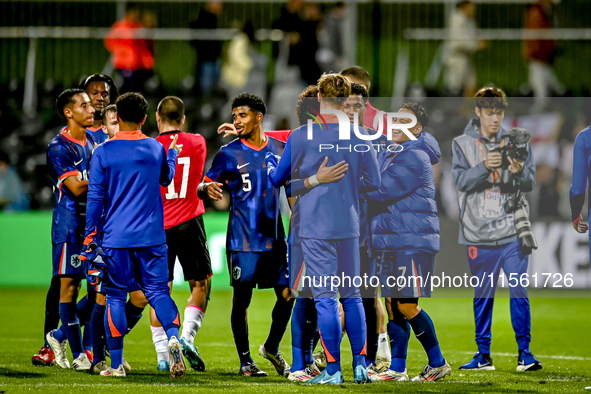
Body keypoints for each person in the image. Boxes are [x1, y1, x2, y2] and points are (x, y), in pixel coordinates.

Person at [266, 74, 381, 384]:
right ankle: (360, 366)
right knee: (353, 297)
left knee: (326, 299)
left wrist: (313, 181)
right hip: (349, 225)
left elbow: (278, 180)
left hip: (315, 227)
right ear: (345, 102)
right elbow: (376, 183)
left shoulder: (301, 136)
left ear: (319, 98)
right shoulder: (360, 135)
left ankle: (332, 370)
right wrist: (347, 187)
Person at [82, 92, 184, 378]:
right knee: (158, 292)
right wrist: (173, 154)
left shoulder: (103, 151)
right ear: (144, 118)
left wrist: (91, 235)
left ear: (118, 117)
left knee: (115, 297)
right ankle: (173, 335)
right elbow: (166, 179)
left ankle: (115, 366)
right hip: (152, 236)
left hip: (116, 238)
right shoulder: (155, 148)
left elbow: (95, 197)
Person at [199, 93, 293, 377]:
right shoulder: (228, 153)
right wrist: (206, 189)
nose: (236, 121)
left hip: (275, 237)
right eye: (234, 116)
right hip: (243, 240)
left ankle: (272, 347)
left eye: (242, 115)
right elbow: (205, 182)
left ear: (258, 117)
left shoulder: (279, 148)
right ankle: (245, 362)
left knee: (289, 295)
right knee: (242, 300)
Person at [452, 86, 541, 372]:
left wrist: (519, 172)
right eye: (490, 112)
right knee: (482, 295)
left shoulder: (517, 140)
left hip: (512, 231)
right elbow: (460, 182)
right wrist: (482, 167)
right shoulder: (462, 143)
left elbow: (530, 182)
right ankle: (483, 355)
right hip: (478, 232)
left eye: (499, 112)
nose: (495, 118)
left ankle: (525, 353)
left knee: (518, 289)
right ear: (478, 112)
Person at [367, 102, 450, 382]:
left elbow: (380, 190)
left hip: (411, 241)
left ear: (416, 128)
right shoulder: (395, 150)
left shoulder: (414, 156)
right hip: (394, 240)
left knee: (406, 304)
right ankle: (398, 369)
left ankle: (438, 362)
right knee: (393, 304)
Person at [150, 97, 210, 373]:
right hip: (189, 221)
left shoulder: (149, 147)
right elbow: (197, 178)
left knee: (160, 290)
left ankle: (163, 354)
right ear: (183, 119)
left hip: (158, 226)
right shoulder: (198, 142)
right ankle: (186, 338)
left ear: (157, 118)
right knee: (200, 285)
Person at [339, 65, 391, 369]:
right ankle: (322, 353)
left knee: (369, 292)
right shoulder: (332, 123)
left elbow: (380, 177)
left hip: (369, 223)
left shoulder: (378, 125)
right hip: (343, 221)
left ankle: (376, 353)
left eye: (347, 87)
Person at [45, 89, 96, 371]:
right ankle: (79, 355)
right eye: (84, 105)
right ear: (69, 112)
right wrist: (106, 175)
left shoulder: (92, 141)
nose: (91, 109)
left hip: (93, 224)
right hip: (69, 225)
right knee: (70, 286)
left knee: (103, 287)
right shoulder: (58, 147)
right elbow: (75, 187)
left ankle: (58, 335)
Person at [104, 2, 154, 93]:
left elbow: (144, 46)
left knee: (140, 88)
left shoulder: (139, 26)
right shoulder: (120, 27)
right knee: (127, 87)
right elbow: (109, 42)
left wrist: (147, 61)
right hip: (124, 64)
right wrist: (122, 52)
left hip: (138, 64)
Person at [523, 0, 563, 112]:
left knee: (551, 90)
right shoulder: (536, 12)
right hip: (538, 58)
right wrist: (538, 54)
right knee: (541, 96)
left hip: (545, 59)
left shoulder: (546, 12)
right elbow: (535, 37)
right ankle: (534, 118)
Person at [443, 1, 486, 97]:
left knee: (471, 84)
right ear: (465, 6)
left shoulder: (470, 20)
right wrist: (477, 45)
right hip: (456, 57)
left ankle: (466, 110)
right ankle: (452, 110)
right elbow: (459, 41)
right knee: (455, 88)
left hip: (466, 57)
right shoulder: (456, 19)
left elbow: (473, 35)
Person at [80, 74, 120, 145]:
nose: (100, 98)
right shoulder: (72, 132)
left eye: (105, 95)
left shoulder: (121, 130)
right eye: (95, 93)